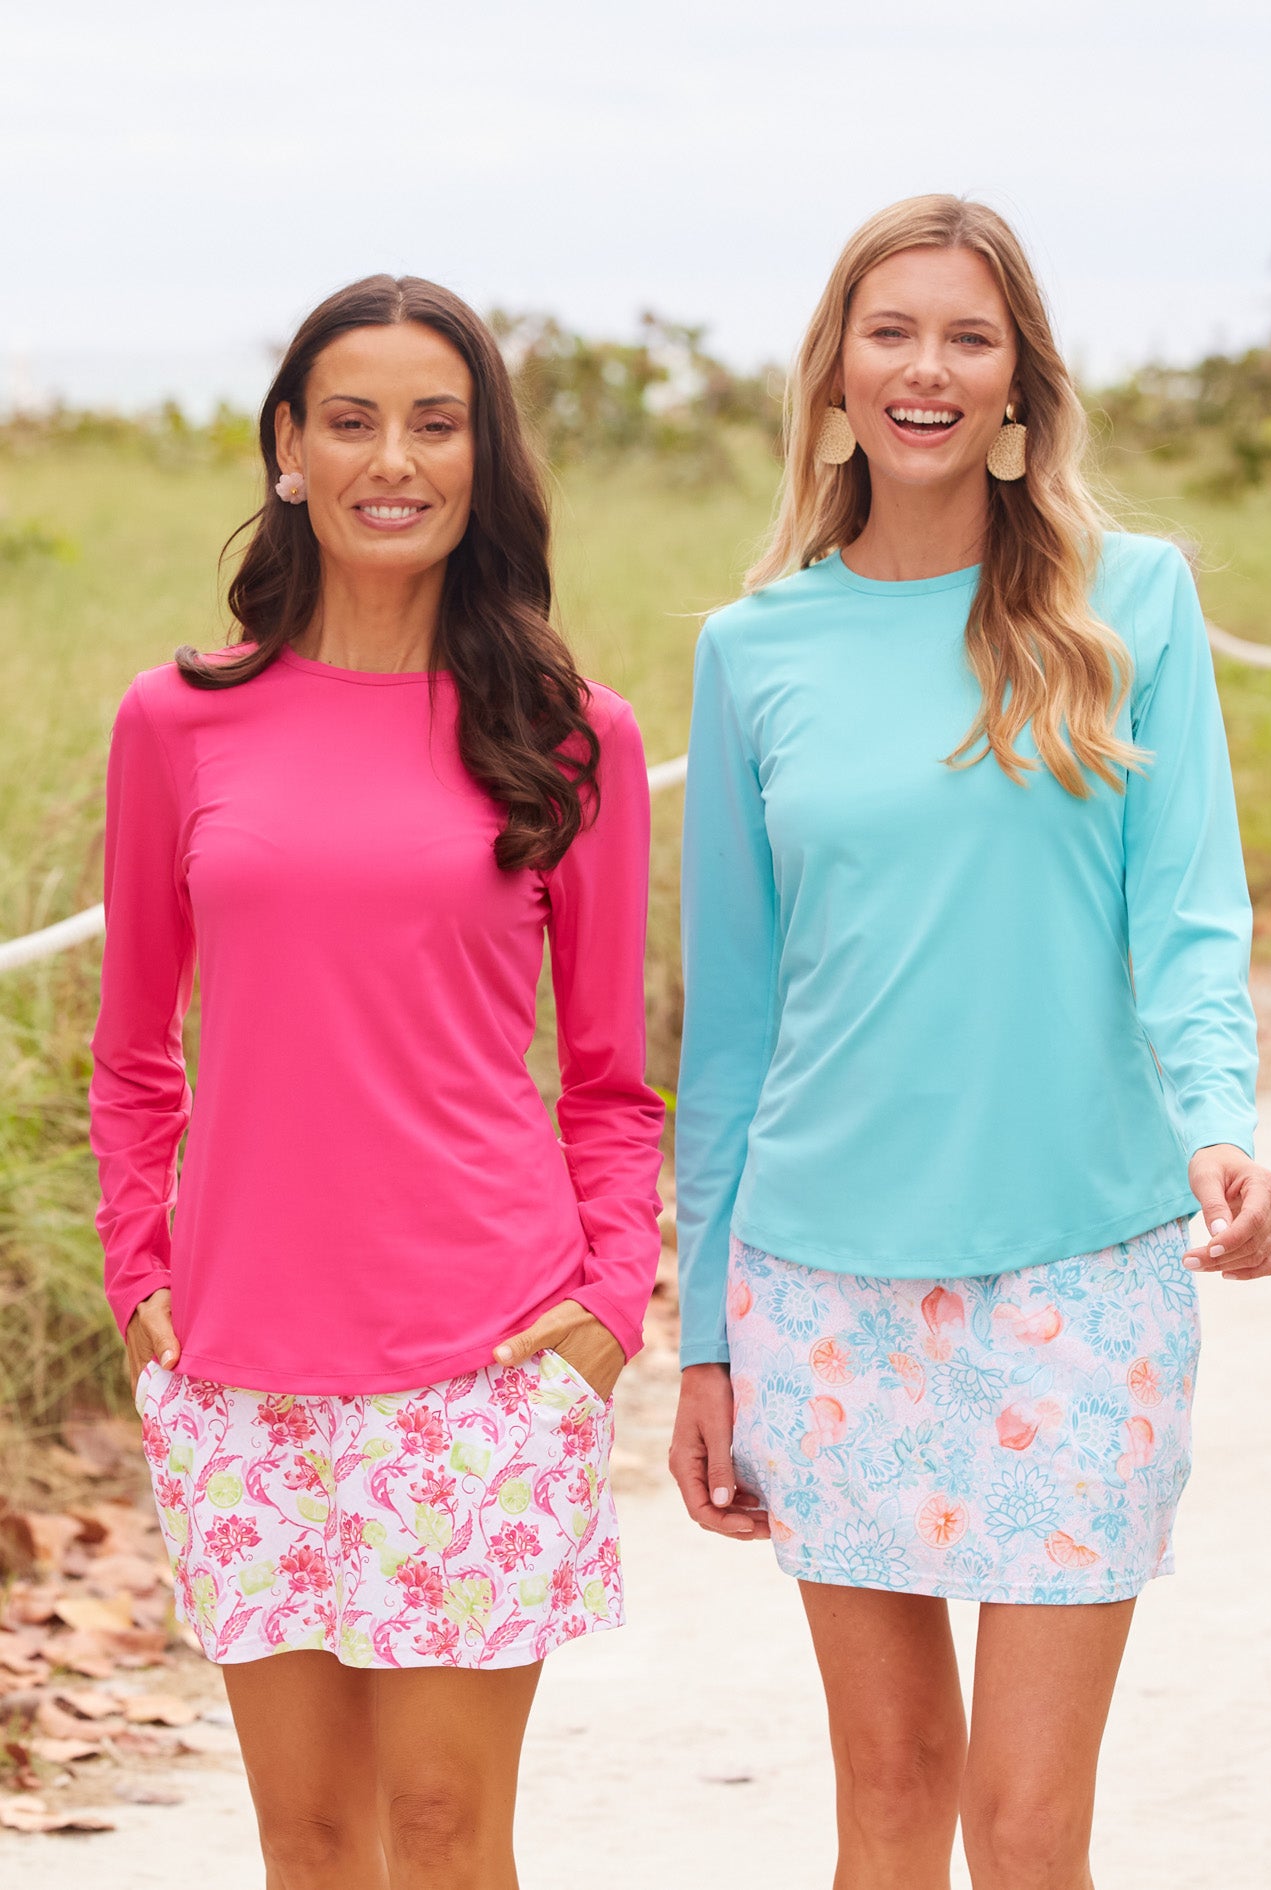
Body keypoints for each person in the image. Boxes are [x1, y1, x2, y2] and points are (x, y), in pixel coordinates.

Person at [670, 195, 1271, 1890]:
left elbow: (1187, 918)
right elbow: (730, 1024)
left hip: (1078, 1274)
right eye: (890, 332)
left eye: (966, 335)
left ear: (1019, 379)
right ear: (834, 374)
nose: (924, 369)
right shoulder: (755, 650)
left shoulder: (1129, 600)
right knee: (883, 1805)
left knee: (1022, 1831)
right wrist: (703, 1339)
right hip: (817, 1288)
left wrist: (1220, 1125)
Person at [91, 275, 664, 1890]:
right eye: (350, 420)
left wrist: (611, 1301)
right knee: (312, 1839)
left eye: (434, 421)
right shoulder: (176, 724)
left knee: (440, 1828)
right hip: (237, 1368)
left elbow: (611, 1082)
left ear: (481, 458)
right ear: (288, 447)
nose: (390, 458)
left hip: (485, 1362)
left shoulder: (568, 734)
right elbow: (135, 1051)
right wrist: (142, 1266)